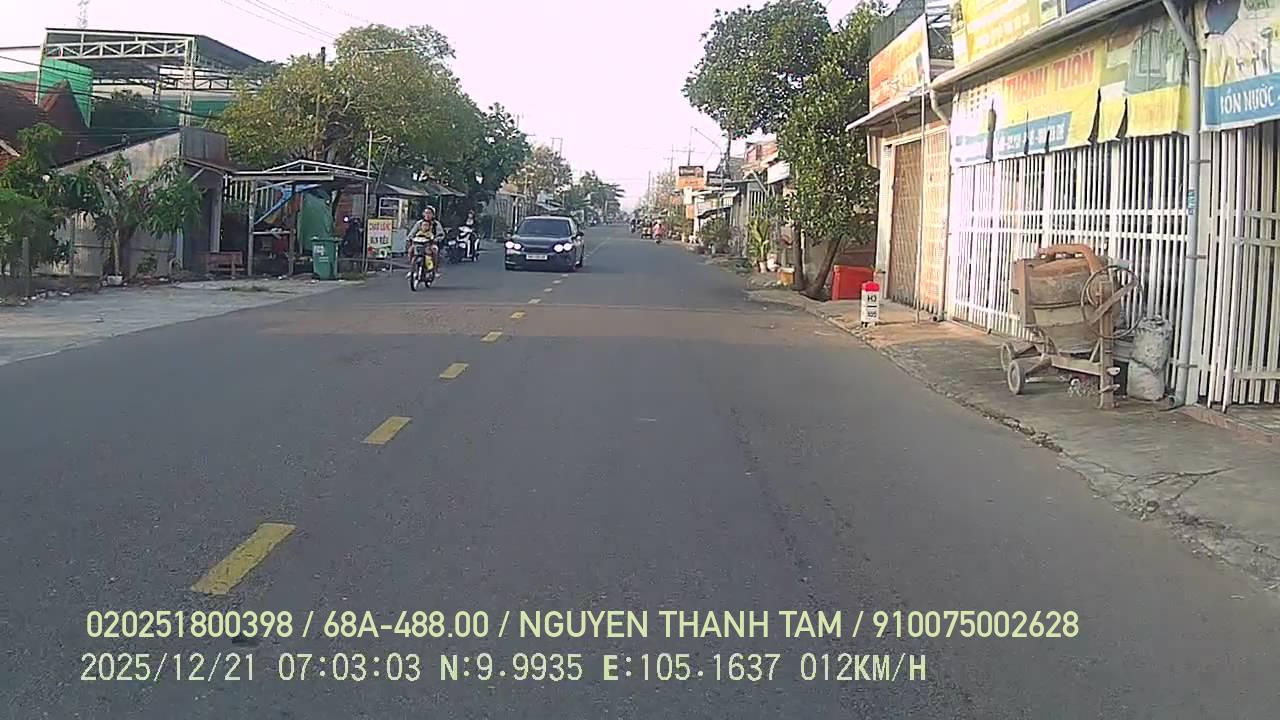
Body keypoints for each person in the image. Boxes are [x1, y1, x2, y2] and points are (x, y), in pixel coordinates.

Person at [406, 206, 444, 277]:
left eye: (429, 213)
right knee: (410, 251)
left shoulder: (436, 224)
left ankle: (434, 270)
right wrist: (410, 238)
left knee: (435, 251)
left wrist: (436, 239)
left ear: (433, 215)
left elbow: (441, 234)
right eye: (426, 213)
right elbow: (412, 233)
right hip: (418, 244)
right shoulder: (419, 223)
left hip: (430, 244)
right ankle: (412, 269)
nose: (427, 215)